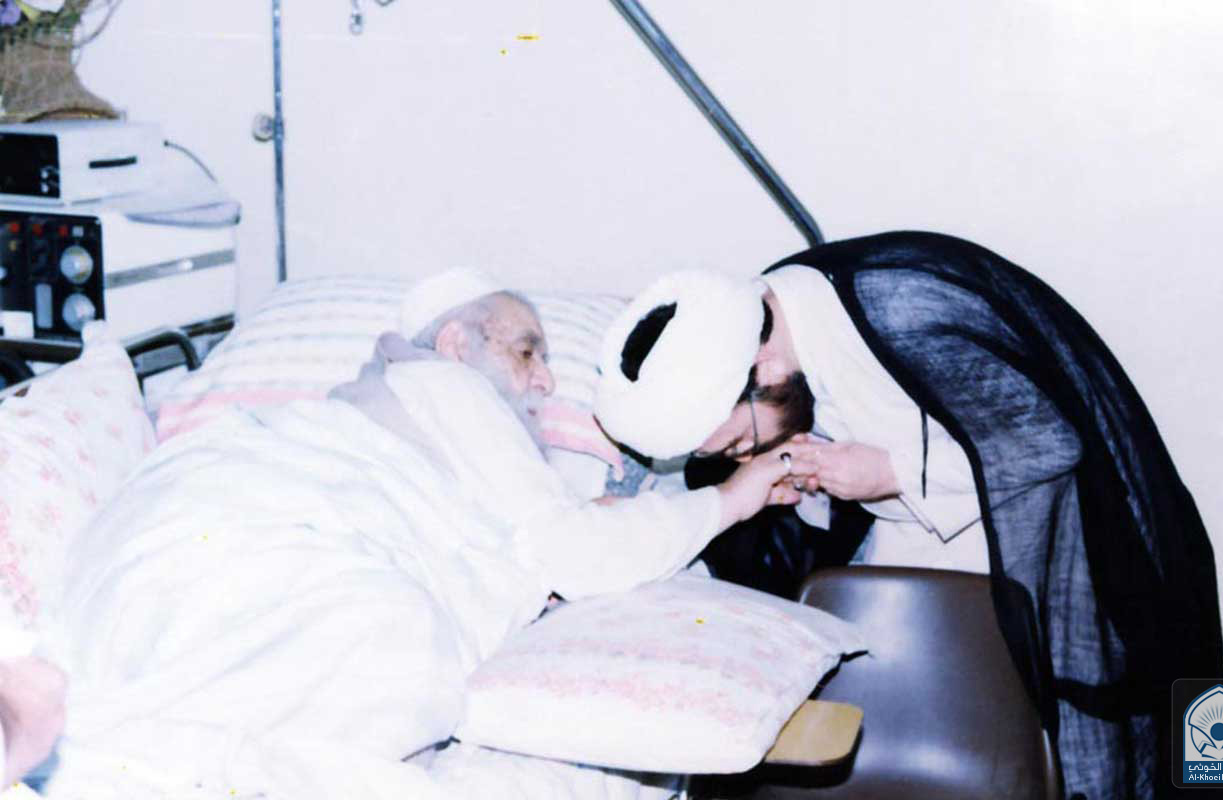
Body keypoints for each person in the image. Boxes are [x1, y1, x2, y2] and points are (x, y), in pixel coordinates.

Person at [45, 269, 797, 799]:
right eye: (527, 350)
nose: (545, 381)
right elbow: (575, 554)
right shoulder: (443, 384)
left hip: (148, 555)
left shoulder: (415, 416)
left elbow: (540, 534)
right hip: (242, 520)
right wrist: (734, 497)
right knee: (372, 637)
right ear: (456, 345)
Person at [593, 232, 1223, 800]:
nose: (744, 455)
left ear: (761, 370)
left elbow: (1048, 441)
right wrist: (814, 481)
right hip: (944, 537)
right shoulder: (775, 320)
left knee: (1102, 729)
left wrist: (889, 472)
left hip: (1073, 521)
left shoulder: (900, 313)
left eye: (739, 441)